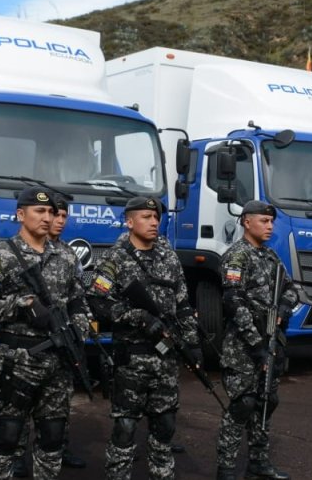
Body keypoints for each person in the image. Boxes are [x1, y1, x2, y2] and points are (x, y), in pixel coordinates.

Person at [0, 187, 90, 480]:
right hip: (19, 359)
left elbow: (79, 301)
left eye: (50, 211)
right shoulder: (3, 254)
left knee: (52, 435)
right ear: (21, 215)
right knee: (8, 433)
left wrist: (79, 329)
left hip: (58, 360)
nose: (46, 217)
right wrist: (21, 305)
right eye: (39, 211)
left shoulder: (64, 256)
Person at [89, 196, 201, 479]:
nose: (153, 223)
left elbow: (183, 304)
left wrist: (192, 343)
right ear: (129, 221)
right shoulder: (115, 258)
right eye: (146, 217)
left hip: (165, 356)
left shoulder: (168, 256)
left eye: (156, 218)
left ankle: (162, 474)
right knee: (125, 427)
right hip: (131, 357)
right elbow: (98, 302)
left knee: (165, 423)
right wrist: (138, 317)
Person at [215, 200, 298, 480]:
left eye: (271, 221)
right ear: (247, 222)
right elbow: (233, 301)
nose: (269, 226)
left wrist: (284, 309)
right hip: (243, 348)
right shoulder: (237, 257)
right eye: (264, 221)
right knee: (242, 406)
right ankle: (226, 468)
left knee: (266, 402)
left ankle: (258, 462)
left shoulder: (271, 257)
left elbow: (291, 289)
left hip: (272, 341)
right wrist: (256, 344)